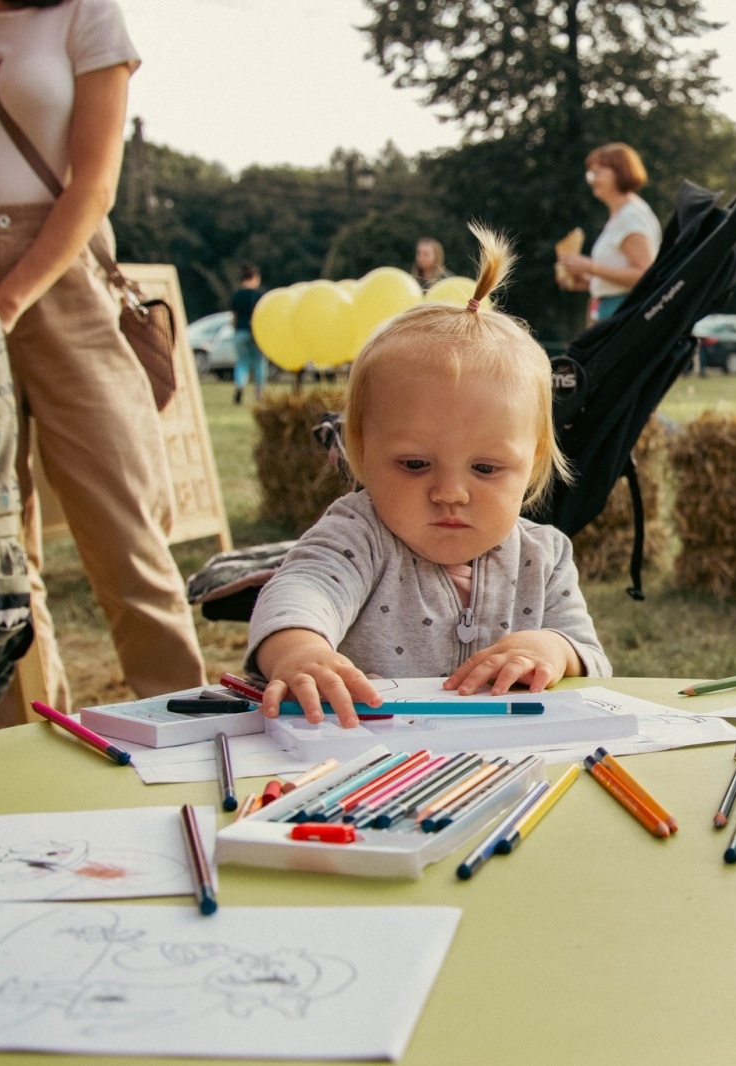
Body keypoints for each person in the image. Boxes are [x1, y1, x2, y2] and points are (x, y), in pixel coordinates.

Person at [246, 226, 611, 727]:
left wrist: (545, 647)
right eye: (415, 464)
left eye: (485, 468)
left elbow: (586, 653)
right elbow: (301, 591)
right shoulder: (359, 534)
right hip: (371, 759)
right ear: (360, 450)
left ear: (534, 461)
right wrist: (299, 651)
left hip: (505, 762)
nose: (449, 493)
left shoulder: (543, 556)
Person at [0, 0, 205, 726]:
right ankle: (19, 753)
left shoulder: (85, 13)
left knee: (121, 527)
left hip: (61, 274)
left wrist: (12, 295)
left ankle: (181, 729)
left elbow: (94, 184)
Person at [557, 143, 660, 323]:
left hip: (626, 316)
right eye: (590, 174)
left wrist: (590, 266)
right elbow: (620, 277)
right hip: (612, 313)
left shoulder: (631, 216)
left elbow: (645, 275)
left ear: (621, 172)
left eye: (598, 173)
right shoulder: (619, 215)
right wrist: (588, 281)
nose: (591, 180)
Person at [229, 263, 266, 404]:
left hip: (240, 331)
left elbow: (234, 317)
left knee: (242, 362)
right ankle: (260, 391)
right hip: (257, 334)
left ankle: (240, 386)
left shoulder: (237, 295)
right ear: (255, 277)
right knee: (259, 363)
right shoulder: (260, 295)